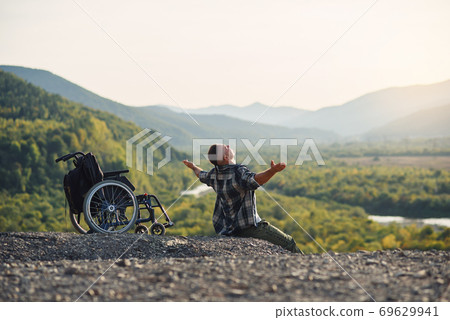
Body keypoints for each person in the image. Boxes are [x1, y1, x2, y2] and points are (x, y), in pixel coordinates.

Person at [182, 144, 303, 254]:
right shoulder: (238, 172)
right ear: (225, 157)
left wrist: (193, 167)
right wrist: (273, 171)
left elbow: (201, 174)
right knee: (289, 243)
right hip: (248, 227)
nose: (228, 146)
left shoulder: (214, 173)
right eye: (226, 147)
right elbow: (254, 180)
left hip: (228, 229)